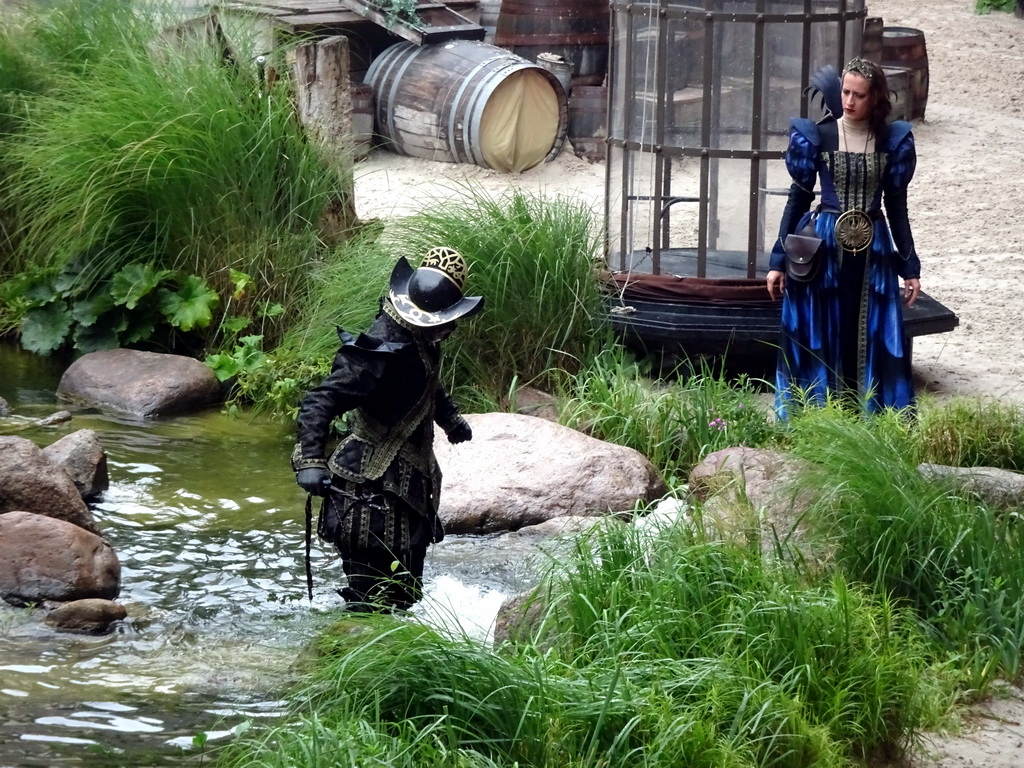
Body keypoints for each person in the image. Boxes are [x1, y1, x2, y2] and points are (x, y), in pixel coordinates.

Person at [291, 246, 483, 612]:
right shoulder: (377, 353)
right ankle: (346, 660)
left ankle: (392, 662)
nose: (453, 326)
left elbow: (429, 384)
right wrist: (311, 460)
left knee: (405, 595)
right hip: (365, 495)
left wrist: (450, 419)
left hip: (405, 489)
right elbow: (319, 402)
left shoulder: (417, 340)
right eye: (449, 318)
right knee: (370, 600)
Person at [765, 57, 920, 418]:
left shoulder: (893, 141)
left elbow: (897, 207)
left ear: (876, 98)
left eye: (859, 95)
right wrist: (778, 261)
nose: (849, 101)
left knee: (866, 331)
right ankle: (820, 419)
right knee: (823, 329)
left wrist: (909, 265)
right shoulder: (817, 136)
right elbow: (799, 197)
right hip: (825, 247)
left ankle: (869, 418)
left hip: (874, 249)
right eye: (846, 92)